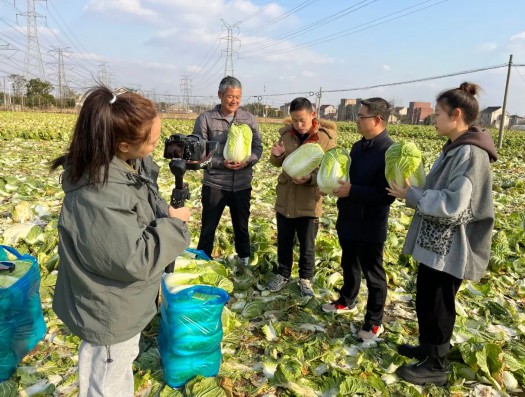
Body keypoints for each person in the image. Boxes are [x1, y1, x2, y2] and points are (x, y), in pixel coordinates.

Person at [50, 86, 191, 396]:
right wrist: (175, 226)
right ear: (124, 145)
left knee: (119, 369)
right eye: (153, 141)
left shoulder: (119, 166)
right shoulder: (99, 194)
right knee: (107, 383)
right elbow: (132, 258)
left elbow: (139, 198)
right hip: (109, 315)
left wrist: (162, 211)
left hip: (121, 305)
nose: (157, 146)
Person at [387, 82, 497, 386]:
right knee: (427, 297)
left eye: (437, 114)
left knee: (439, 303)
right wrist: (412, 194)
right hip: (437, 243)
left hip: (452, 247)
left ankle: (435, 365)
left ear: (456, 114)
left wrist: (412, 195)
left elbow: (454, 204)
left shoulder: (471, 154)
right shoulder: (456, 148)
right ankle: (428, 348)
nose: (433, 119)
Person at [322, 97, 395, 341]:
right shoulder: (357, 147)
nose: (357, 120)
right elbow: (347, 178)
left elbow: (386, 195)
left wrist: (352, 191)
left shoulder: (389, 151)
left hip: (371, 222)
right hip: (349, 216)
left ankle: (374, 322)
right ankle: (347, 299)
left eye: (361, 116)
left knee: (373, 273)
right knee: (349, 262)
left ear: (377, 120)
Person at [267, 97, 337, 296]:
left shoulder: (325, 138)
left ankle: (305, 279)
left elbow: (329, 169)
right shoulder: (286, 135)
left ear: (313, 115)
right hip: (286, 197)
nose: (298, 125)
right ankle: (283, 274)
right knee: (284, 240)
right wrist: (277, 155)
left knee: (307, 243)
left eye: (302, 120)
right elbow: (276, 162)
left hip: (308, 200)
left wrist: (310, 179)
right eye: (295, 120)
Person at [192, 76, 263, 267]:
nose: (234, 101)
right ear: (220, 95)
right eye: (230, 96)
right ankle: (201, 263)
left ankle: (244, 261)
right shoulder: (206, 119)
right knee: (208, 227)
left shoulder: (248, 119)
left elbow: (258, 148)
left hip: (241, 184)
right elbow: (198, 155)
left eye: (238, 97)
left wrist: (247, 161)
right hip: (214, 184)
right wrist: (221, 163)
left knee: (241, 226)